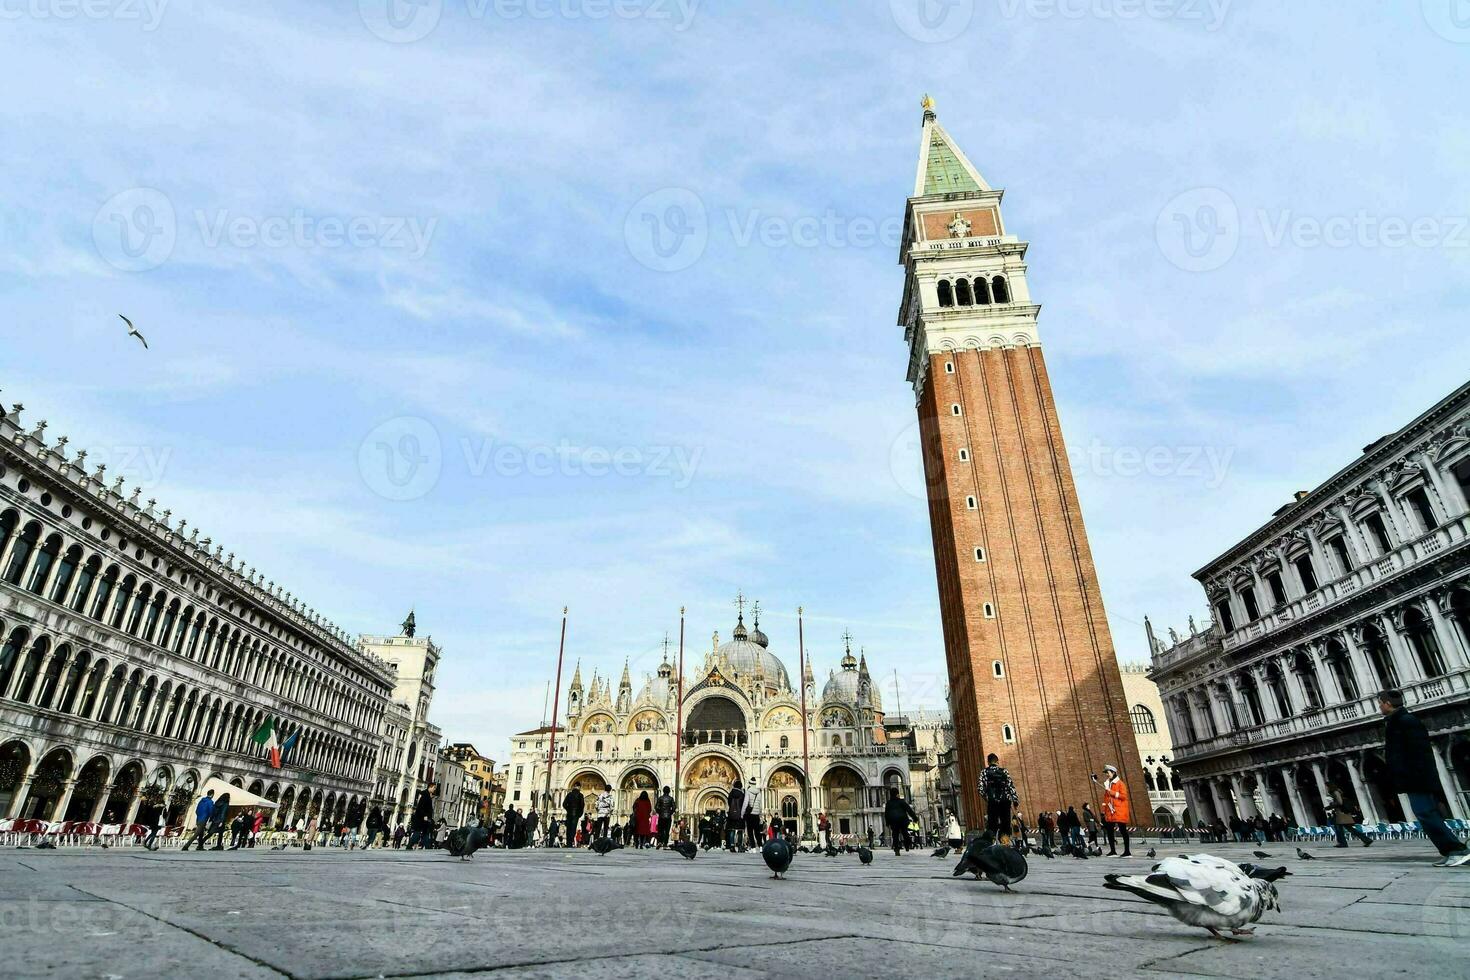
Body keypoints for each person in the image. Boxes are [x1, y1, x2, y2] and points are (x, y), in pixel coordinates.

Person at [1380, 689, 1470, 866]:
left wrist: (1416, 778)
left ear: (1388, 704)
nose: (1379, 706)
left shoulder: (1406, 721)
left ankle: (1456, 850)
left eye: (1381, 703)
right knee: (1426, 814)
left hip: (1417, 779)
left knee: (1426, 814)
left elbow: (1421, 753)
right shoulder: (1398, 722)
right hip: (1413, 778)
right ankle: (1451, 850)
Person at [977, 753, 1018, 844]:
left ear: (988, 762)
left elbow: (980, 788)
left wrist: (987, 797)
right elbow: (1011, 786)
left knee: (992, 823)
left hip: (993, 801)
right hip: (1005, 801)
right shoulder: (1004, 771)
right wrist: (1015, 800)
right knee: (1005, 822)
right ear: (997, 761)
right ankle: (1005, 841)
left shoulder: (984, 772)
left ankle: (992, 842)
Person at [1325, 781, 1373, 848]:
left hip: (1341, 813)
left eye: (1326, 787)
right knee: (1349, 829)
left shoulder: (1335, 792)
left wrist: (1329, 806)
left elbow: (1340, 802)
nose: (1326, 788)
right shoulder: (1335, 792)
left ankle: (1342, 843)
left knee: (1339, 829)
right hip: (1341, 813)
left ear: (1329, 786)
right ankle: (1366, 840)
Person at [1097, 764, 1132, 857]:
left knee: (1123, 831)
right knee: (1109, 831)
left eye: (1108, 773)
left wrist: (1111, 792)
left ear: (1113, 772)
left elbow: (1124, 796)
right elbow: (1106, 800)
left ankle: (1127, 852)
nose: (1107, 775)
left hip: (1119, 811)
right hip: (1110, 812)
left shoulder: (1120, 783)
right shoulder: (1108, 784)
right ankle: (1113, 851)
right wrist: (1103, 811)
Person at [884, 786, 919, 856]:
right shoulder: (901, 801)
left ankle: (896, 849)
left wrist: (887, 822)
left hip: (893, 821)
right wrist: (915, 818)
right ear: (897, 794)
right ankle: (907, 845)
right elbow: (909, 810)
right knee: (905, 833)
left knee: (895, 835)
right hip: (903, 820)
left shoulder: (888, 803)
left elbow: (886, 813)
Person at [725, 779, 746, 850]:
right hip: (740, 814)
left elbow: (729, 802)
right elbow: (744, 804)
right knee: (740, 830)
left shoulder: (731, 793)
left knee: (732, 830)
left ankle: (732, 845)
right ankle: (740, 845)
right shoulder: (742, 794)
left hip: (732, 814)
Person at [744, 778, 761, 849]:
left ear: (750, 784)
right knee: (757, 831)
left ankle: (753, 848)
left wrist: (743, 813)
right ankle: (761, 847)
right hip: (757, 814)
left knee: (750, 832)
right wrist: (759, 813)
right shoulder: (759, 792)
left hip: (750, 814)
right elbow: (760, 804)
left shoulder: (748, 791)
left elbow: (745, 803)